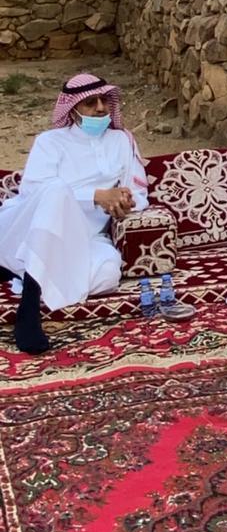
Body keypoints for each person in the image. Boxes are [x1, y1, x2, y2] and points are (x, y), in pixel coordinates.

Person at [0, 72, 148, 354]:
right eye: (90, 102)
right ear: (72, 108)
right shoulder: (50, 141)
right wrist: (96, 196)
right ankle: (29, 303)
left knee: (108, 274)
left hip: (84, 237)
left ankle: (22, 269)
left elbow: (139, 192)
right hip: (28, 229)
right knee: (56, 190)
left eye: (104, 100)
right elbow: (33, 191)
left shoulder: (121, 140)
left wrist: (124, 201)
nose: (101, 108)